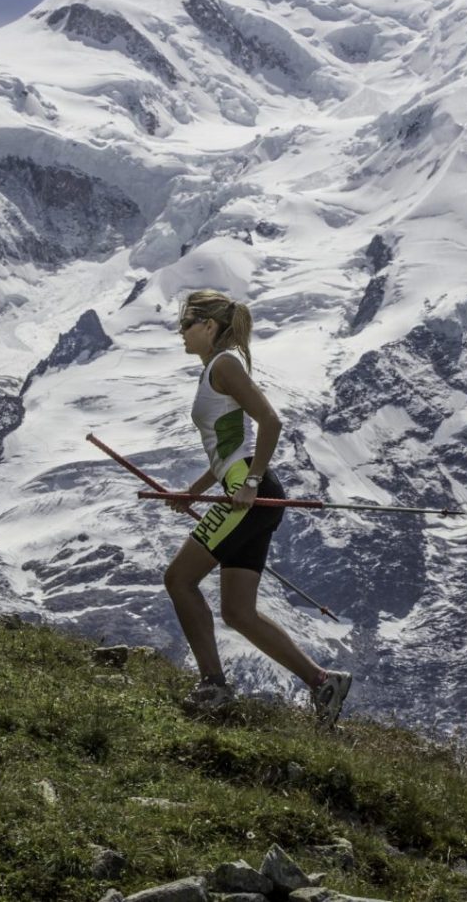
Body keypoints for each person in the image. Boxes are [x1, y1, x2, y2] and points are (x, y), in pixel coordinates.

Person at [163, 289, 352, 727]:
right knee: (238, 611)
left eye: (187, 323)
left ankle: (213, 684)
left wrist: (248, 484)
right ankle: (322, 682)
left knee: (179, 579)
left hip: (248, 495)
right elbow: (228, 450)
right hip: (246, 492)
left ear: (208, 326)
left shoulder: (224, 365)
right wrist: (192, 491)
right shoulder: (216, 368)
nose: (181, 332)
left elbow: (270, 422)